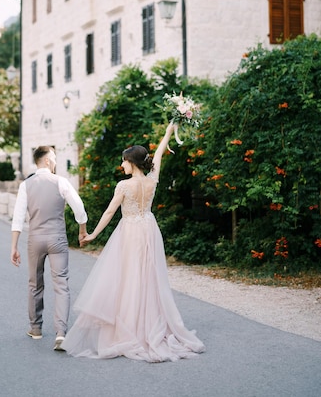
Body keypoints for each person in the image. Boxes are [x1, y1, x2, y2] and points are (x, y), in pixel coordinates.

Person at [62, 123, 205, 362]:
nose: (121, 165)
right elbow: (158, 154)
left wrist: (93, 235)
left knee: (127, 277)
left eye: (123, 161)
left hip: (129, 231)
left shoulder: (124, 186)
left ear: (132, 163)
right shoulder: (152, 180)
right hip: (148, 228)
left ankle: (129, 328)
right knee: (148, 277)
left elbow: (109, 213)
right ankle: (147, 324)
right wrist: (169, 132)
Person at [11, 146, 87, 351]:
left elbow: (18, 217)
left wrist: (13, 246)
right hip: (57, 240)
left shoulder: (25, 185)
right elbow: (79, 208)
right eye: (53, 158)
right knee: (61, 285)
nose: (55, 162)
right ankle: (61, 334)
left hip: (35, 240)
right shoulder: (61, 181)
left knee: (35, 284)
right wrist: (82, 229)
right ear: (45, 161)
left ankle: (35, 329)